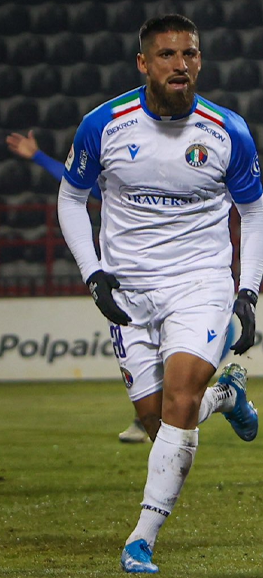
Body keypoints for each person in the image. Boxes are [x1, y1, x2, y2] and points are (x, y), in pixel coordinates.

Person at [56, 14, 263, 574]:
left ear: (200, 60)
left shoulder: (227, 131)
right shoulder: (103, 125)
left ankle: (140, 539)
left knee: (178, 401)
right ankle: (224, 398)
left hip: (200, 283)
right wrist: (94, 274)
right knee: (159, 422)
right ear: (144, 64)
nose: (181, 65)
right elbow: (70, 199)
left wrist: (246, 291)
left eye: (190, 54)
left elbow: (255, 213)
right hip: (129, 290)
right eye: (168, 55)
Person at [5, 131, 150, 442]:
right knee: (147, 357)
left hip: (180, 277)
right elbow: (73, 185)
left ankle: (205, 402)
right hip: (131, 279)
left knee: (171, 358)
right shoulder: (117, 185)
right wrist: (39, 157)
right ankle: (147, 417)